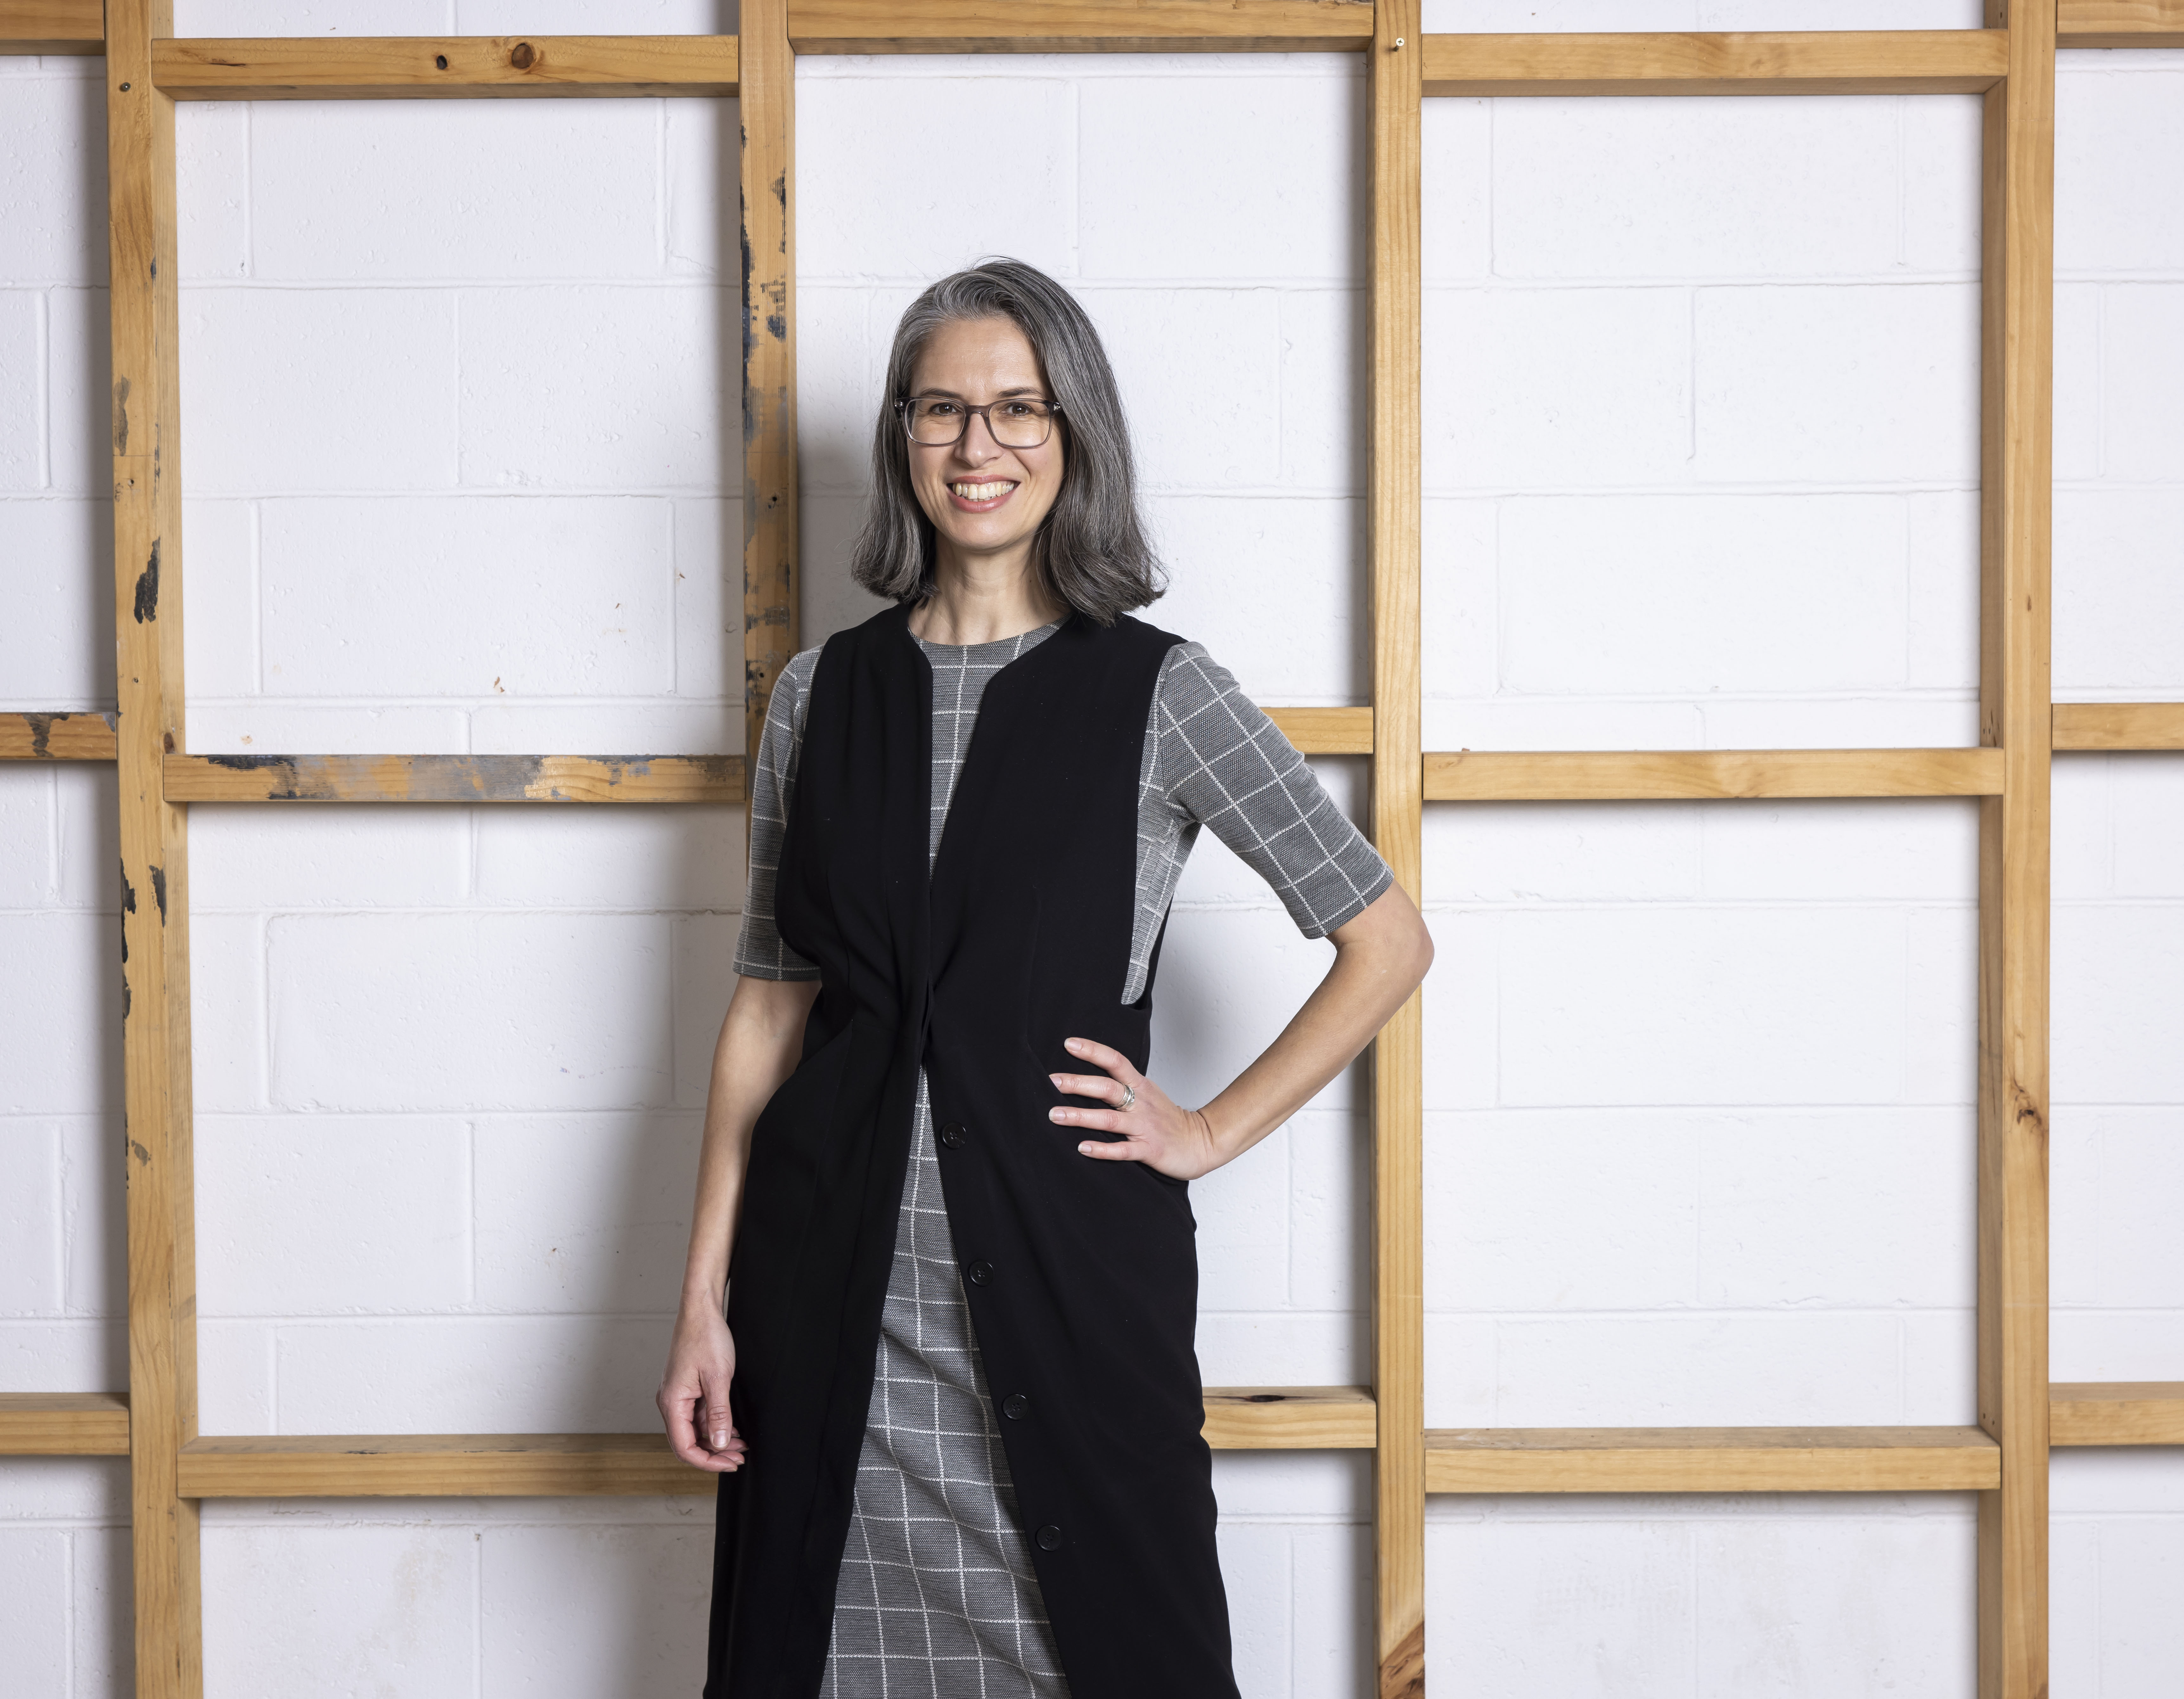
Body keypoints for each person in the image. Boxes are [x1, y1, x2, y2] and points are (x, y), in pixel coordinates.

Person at [659, 257, 1433, 1699]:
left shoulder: (1162, 690)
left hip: (1073, 1298)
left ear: (1073, 436)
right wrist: (701, 1298)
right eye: (942, 411)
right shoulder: (817, 699)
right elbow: (768, 1006)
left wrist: (1201, 1133)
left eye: (1019, 409)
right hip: (826, 1304)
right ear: (901, 438)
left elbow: (1385, 940)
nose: (979, 447)